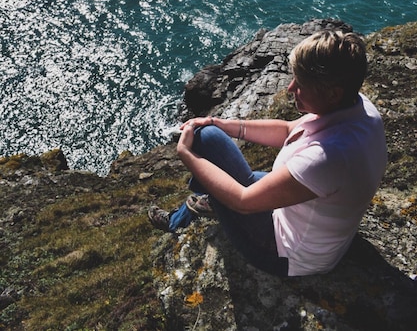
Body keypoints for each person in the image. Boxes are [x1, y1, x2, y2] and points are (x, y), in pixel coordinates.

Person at [148, 29, 387, 277]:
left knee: (207, 155)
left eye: (301, 84)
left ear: (333, 93)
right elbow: (286, 130)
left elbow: (243, 201)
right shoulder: (358, 108)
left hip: (284, 252)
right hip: (307, 212)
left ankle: (184, 217)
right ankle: (204, 201)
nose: (290, 88)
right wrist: (221, 123)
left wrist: (187, 153)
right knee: (209, 135)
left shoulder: (328, 157)